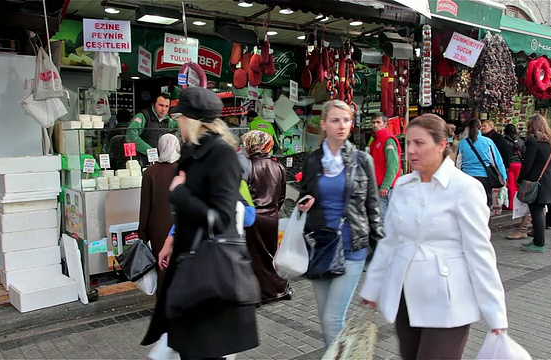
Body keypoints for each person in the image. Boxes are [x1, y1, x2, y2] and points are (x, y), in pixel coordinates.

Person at [360, 114, 508, 359]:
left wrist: (496, 314)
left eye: (419, 143)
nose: (411, 151)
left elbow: (479, 252)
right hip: (406, 299)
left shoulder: (465, 188)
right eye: (408, 143)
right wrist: (372, 289)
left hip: (448, 301)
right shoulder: (404, 186)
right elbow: (389, 243)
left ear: (441, 145)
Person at [142, 87, 259, 359]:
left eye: (180, 117)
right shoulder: (192, 151)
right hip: (190, 267)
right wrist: (172, 240)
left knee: (204, 352)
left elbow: (222, 218)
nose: (177, 122)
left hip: (209, 273)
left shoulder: (222, 156)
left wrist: (181, 194)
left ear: (193, 119)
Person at [296, 100, 384, 348]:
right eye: (335, 120)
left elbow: (372, 205)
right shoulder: (313, 161)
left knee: (333, 318)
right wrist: (305, 202)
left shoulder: (361, 159)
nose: (342, 125)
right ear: (323, 124)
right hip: (322, 246)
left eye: (346, 120)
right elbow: (305, 193)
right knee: (326, 319)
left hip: (352, 246)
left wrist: (381, 250)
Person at [242, 130, 290, 303]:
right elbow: (281, 196)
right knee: (271, 255)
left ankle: (257, 293)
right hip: (272, 216)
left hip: (252, 218)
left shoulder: (247, 166)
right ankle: (277, 289)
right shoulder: (279, 167)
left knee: (254, 258)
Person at [137, 134, 180, 296]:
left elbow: (145, 205)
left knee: (161, 265)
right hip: (180, 224)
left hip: (157, 227)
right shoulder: (183, 170)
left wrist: (142, 233)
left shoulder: (150, 172)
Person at [517, 114, 551, 253]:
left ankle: (539, 243)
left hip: (536, 182)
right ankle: (538, 240)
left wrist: (521, 180)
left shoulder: (533, 143)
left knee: (536, 212)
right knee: (540, 212)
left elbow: (528, 166)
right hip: (549, 182)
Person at [456, 119, 508, 207]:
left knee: (468, 204)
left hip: (466, 177)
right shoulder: (487, 142)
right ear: (480, 128)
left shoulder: (462, 143)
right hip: (484, 177)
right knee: (485, 204)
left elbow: (458, 163)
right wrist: (503, 176)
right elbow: (496, 161)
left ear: (468, 128)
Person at [369, 112, 402, 228]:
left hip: (387, 188)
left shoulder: (388, 140)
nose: (375, 125)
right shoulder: (375, 140)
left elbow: (392, 165)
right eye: (373, 122)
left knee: (384, 220)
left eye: (378, 122)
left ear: (385, 124)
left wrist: (386, 185)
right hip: (380, 186)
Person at [125, 93, 178, 165]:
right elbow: (130, 134)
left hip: (160, 162)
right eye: (161, 105)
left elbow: (176, 125)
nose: (163, 109)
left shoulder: (167, 120)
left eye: (166, 106)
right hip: (142, 161)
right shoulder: (143, 116)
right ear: (153, 104)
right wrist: (150, 151)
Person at [503, 124, 525, 211]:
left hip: (510, 165)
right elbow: (524, 152)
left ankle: (511, 205)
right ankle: (520, 204)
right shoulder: (521, 141)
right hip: (519, 164)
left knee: (510, 185)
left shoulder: (504, 141)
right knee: (518, 185)